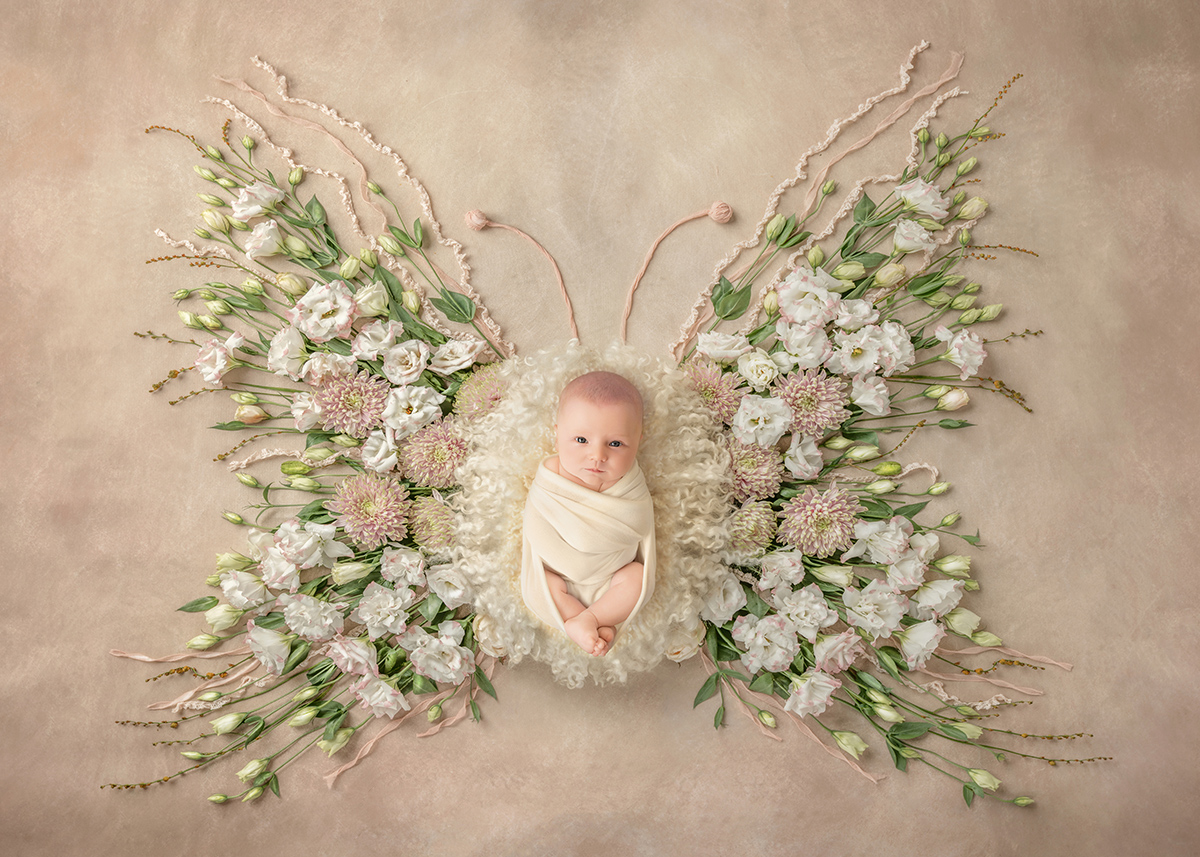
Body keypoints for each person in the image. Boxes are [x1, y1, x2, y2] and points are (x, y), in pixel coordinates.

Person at [520, 371, 656, 656]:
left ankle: (591, 619)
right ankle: (585, 622)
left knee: (637, 576)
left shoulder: (630, 481)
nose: (598, 456)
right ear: (557, 435)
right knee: (543, 586)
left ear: (638, 441)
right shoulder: (551, 476)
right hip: (559, 572)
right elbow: (536, 524)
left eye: (615, 444)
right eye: (581, 439)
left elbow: (638, 520)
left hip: (613, 574)